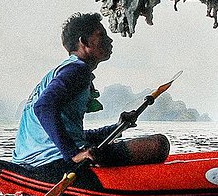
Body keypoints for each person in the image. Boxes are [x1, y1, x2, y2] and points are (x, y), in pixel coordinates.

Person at [13, 12, 170, 176]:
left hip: (29, 161)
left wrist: (117, 127)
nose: (110, 40)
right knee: (159, 145)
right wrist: (73, 154)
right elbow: (43, 107)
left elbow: (75, 135)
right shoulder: (77, 70)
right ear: (84, 42)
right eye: (101, 35)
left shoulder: (65, 70)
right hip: (53, 162)